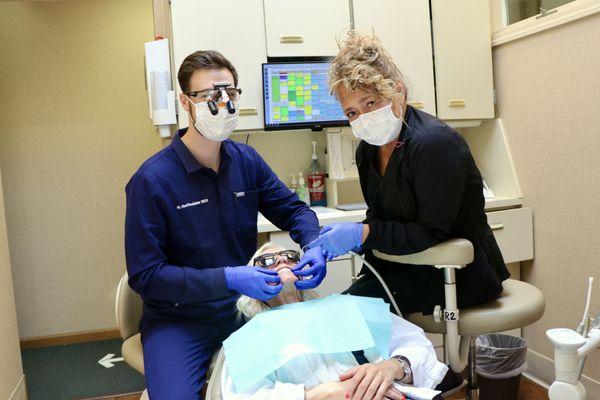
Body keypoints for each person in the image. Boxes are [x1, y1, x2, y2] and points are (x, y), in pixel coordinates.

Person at [125, 50, 326, 399]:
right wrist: (229, 277)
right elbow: (147, 276)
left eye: (229, 93)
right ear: (186, 103)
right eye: (209, 96)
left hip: (244, 308)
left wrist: (315, 245)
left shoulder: (245, 160)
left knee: (312, 376)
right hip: (181, 320)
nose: (223, 103)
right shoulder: (153, 181)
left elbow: (295, 211)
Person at [307, 31, 510, 316]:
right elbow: (381, 217)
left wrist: (362, 234)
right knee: (334, 316)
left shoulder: (434, 143)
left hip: (456, 275)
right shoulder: (368, 150)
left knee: (344, 318)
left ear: (397, 91)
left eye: (371, 103)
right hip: (406, 267)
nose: (363, 118)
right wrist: (333, 246)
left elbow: (431, 231)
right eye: (352, 112)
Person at [221, 243, 449, 400]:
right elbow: (243, 396)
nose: (281, 259)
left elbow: (417, 344)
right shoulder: (250, 338)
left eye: (290, 256)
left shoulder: (347, 306)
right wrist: (319, 394)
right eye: (267, 260)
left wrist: (391, 367)